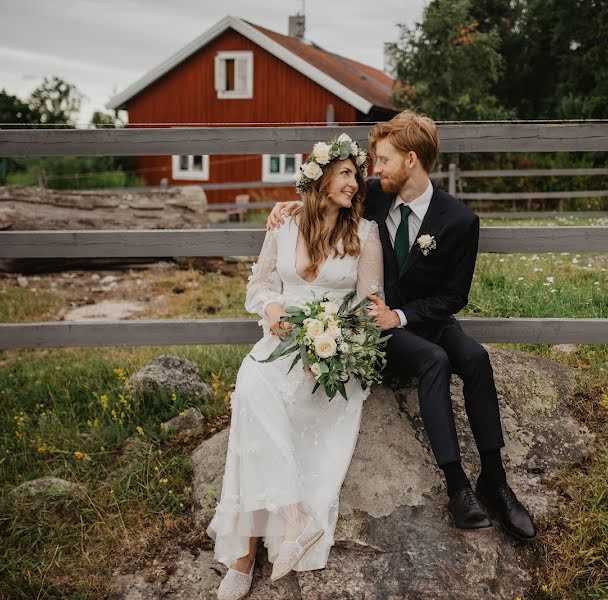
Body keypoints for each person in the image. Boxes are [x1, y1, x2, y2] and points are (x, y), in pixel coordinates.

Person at [267, 111, 536, 541]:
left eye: (384, 160)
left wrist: (404, 315)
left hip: (426, 317)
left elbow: (454, 297)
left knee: (475, 358)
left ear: (411, 160)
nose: (375, 170)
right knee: (434, 361)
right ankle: (457, 487)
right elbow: (328, 199)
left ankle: (496, 479)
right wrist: (291, 207)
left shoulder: (460, 221)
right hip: (379, 326)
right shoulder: (372, 195)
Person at [207, 134, 382, 600]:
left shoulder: (365, 234)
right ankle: (293, 519)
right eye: (345, 173)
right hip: (278, 345)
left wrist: (337, 348)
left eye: (356, 175)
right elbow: (259, 287)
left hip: (329, 357)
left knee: (261, 407)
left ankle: (243, 560)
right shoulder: (283, 224)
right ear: (321, 177)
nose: (355, 182)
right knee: (249, 389)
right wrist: (270, 311)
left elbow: (368, 307)